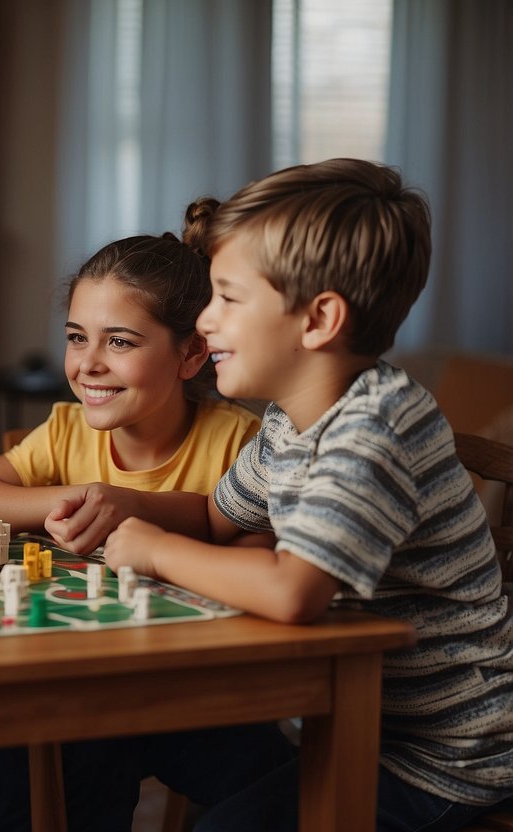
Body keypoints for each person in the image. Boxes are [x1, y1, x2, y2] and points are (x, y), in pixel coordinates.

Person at [56, 158, 513, 831]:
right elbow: (216, 517)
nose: (203, 322)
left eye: (226, 299)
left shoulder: (373, 430)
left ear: (318, 319)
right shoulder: (288, 417)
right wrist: (123, 503)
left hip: (441, 756)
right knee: (102, 735)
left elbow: (291, 590)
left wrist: (151, 550)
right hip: (342, 719)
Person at [0, 233, 260, 554]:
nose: (88, 364)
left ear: (191, 354)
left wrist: (135, 508)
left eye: (119, 342)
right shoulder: (65, 431)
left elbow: (256, 563)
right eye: (77, 338)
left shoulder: (242, 443)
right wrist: (82, 499)